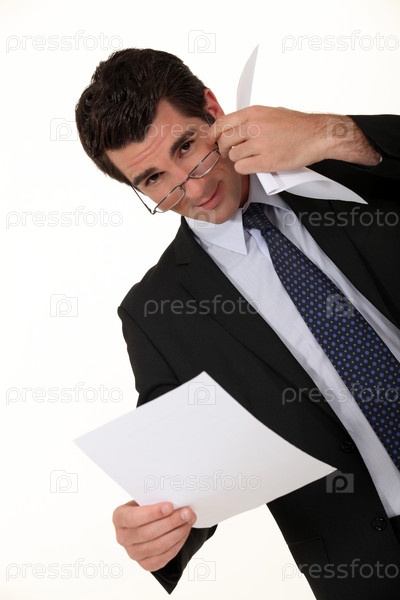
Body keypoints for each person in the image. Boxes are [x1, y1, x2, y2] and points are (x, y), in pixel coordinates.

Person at [75, 48, 400, 599]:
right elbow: (186, 475)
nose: (195, 190)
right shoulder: (156, 313)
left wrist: (335, 133)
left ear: (212, 109)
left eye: (186, 147)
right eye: (154, 178)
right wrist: (155, 530)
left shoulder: (348, 163)